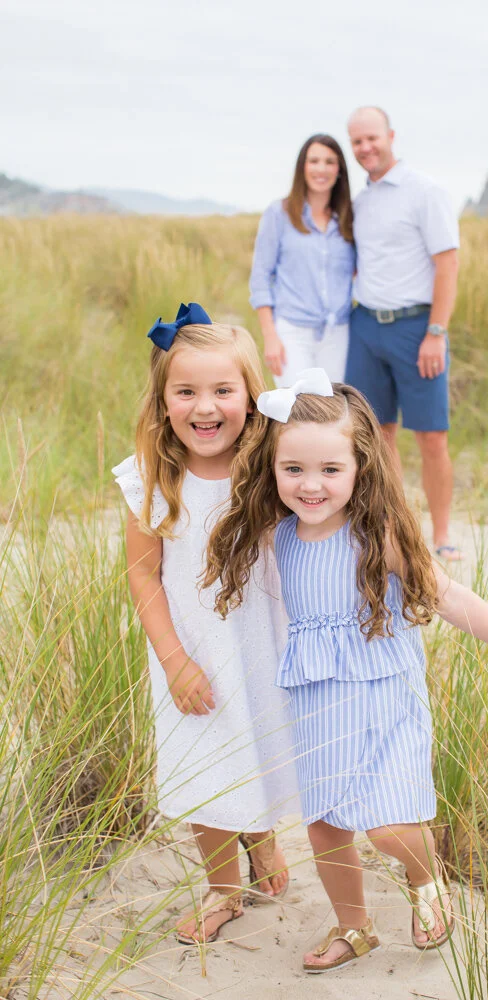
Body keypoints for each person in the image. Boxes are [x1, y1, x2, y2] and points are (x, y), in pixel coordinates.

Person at [204, 369, 488, 973]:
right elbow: (217, 479)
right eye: (293, 469)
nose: (311, 484)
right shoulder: (279, 535)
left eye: (330, 469)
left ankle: (426, 883)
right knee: (325, 828)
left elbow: (447, 595)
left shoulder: (378, 535)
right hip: (318, 706)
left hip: (384, 699)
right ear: (272, 468)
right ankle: (354, 926)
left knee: (388, 827)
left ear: (361, 466)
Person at [113, 303, 299, 945]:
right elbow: (144, 577)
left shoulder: (272, 470)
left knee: (259, 748)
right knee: (203, 762)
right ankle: (223, 889)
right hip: (190, 649)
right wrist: (174, 661)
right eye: (186, 391)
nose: (205, 407)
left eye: (224, 390)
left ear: (252, 396)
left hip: (260, 642)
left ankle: (261, 834)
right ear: (162, 401)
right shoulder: (151, 478)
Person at [346, 106, 462, 560]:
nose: (365, 148)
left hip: (417, 328)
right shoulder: (360, 202)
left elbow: (447, 263)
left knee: (431, 435)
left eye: (372, 138)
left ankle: (442, 536)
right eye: (357, 141)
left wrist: (436, 332)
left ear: (391, 136)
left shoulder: (425, 191)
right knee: (377, 434)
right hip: (365, 326)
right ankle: (396, 529)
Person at [250, 134, 355, 386]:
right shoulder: (279, 214)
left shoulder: (348, 217)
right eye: (314, 161)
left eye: (330, 162)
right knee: (298, 405)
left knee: (331, 406)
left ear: (339, 169)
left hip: (338, 333)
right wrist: (270, 337)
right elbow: (260, 277)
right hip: (292, 332)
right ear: (302, 167)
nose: (321, 169)